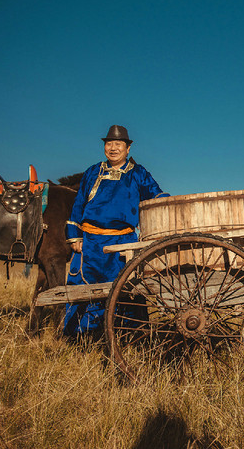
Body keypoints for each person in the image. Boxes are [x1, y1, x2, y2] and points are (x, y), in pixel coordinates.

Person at [63, 125, 168, 338]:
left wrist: (170, 206)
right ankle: (81, 338)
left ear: (127, 148)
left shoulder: (139, 174)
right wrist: (74, 235)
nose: (113, 148)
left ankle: (127, 336)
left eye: (118, 144)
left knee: (128, 290)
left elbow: (157, 197)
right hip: (90, 243)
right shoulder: (93, 171)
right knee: (83, 289)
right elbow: (79, 203)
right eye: (109, 143)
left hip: (124, 243)